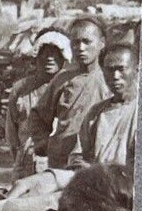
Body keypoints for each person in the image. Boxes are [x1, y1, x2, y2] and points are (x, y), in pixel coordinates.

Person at [28, 16, 108, 170]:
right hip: (61, 160)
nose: (81, 48)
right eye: (76, 42)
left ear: (101, 43)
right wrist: (44, 143)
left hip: (95, 161)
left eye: (87, 41)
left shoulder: (109, 80)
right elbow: (38, 115)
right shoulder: (62, 79)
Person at [6, 31, 71, 176]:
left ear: (64, 57)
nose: (50, 58)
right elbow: (12, 132)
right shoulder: (21, 88)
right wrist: (20, 158)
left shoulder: (70, 87)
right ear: (36, 56)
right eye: (45, 53)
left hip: (59, 164)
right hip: (26, 162)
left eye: (55, 53)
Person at [78, 43, 139, 167]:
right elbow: (78, 155)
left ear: (136, 70)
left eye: (121, 69)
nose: (115, 76)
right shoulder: (95, 113)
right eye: (110, 70)